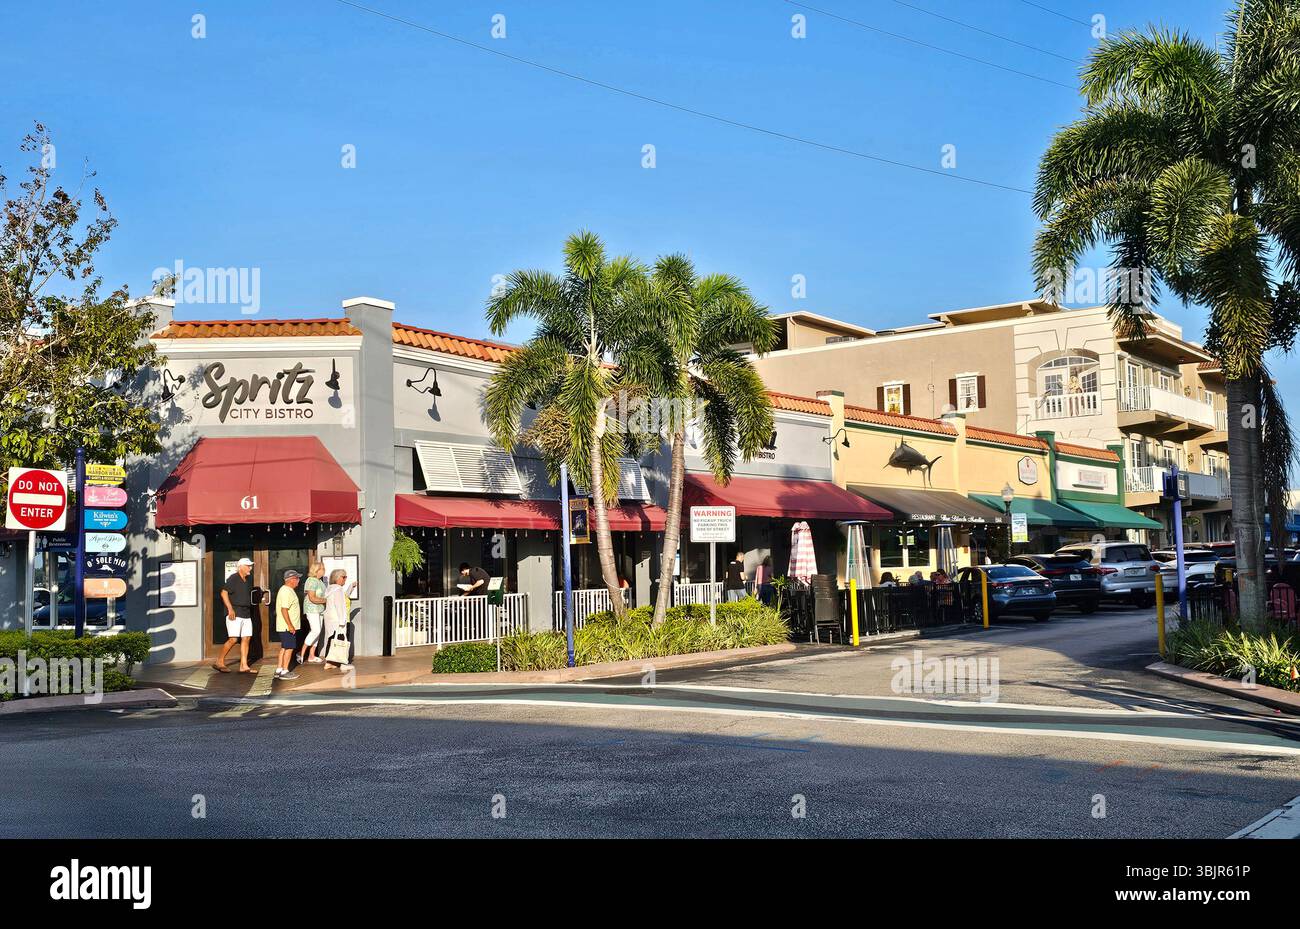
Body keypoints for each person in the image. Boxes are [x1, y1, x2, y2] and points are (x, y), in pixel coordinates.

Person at [214, 557, 256, 673]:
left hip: (246, 613)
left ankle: (244, 665)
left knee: (246, 638)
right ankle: (219, 661)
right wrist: (230, 609)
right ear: (241, 567)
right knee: (233, 639)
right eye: (248, 566)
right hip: (235, 613)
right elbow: (223, 593)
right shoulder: (234, 578)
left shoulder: (246, 580)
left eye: (250, 566)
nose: (250, 568)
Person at [321, 568, 354, 671]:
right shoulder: (338, 589)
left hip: (330, 619)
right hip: (337, 620)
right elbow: (340, 606)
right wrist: (342, 621)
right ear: (338, 578)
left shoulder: (330, 589)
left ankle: (329, 662)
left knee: (331, 640)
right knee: (341, 641)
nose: (345, 579)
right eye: (344, 577)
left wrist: (351, 587)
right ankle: (342, 663)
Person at [297, 562, 328, 665]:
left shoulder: (320, 581)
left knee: (317, 633)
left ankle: (311, 655)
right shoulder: (311, 580)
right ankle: (301, 652)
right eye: (322, 568)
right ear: (316, 570)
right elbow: (312, 598)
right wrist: (326, 601)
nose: (324, 570)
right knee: (316, 630)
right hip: (312, 609)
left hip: (320, 609)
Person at [274, 569, 302, 681]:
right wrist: (290, 625)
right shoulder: (286, 591)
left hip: (285, 626)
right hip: (287, 627)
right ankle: (285, 671)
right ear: (291, 580)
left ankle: (279, 669)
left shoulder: (286, 590)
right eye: (297, 578)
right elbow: (284, 610)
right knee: (289, 648)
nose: (299, 581)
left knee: (284, 647)